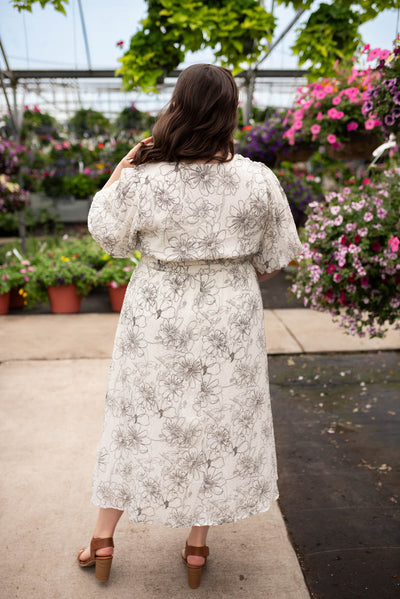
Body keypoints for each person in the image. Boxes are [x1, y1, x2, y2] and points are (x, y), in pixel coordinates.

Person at [77, 63, 303, 589]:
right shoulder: (258, 179)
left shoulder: (145, 178)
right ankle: (197, 548)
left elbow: (107, 234)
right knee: (217, 421)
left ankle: (103, 540)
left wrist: (121, 171)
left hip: (157, 311)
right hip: (230, 313)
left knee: (135, 417)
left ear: (178, 106)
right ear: (230, 112)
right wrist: (228, 267)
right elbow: (275, 256)